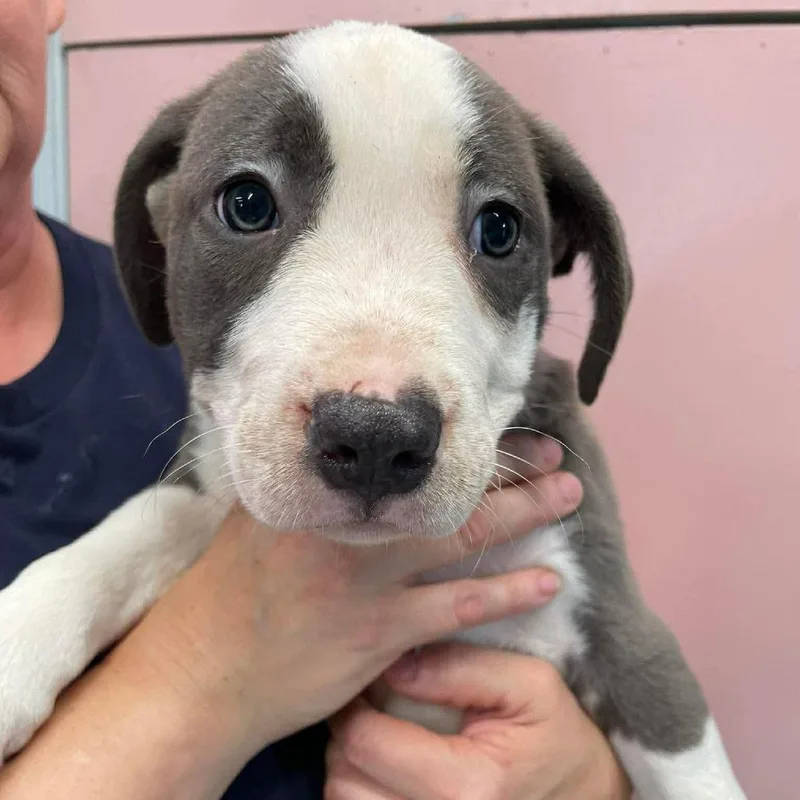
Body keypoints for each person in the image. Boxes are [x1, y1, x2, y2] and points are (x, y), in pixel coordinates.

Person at [0, 2, 631, 798]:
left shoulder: (147, 338)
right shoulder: (198, 363)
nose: (376, 404)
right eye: (250, 207)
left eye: (496, 230)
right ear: (161, 220)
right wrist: (206, 671)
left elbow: (611, 674)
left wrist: (587, 780)